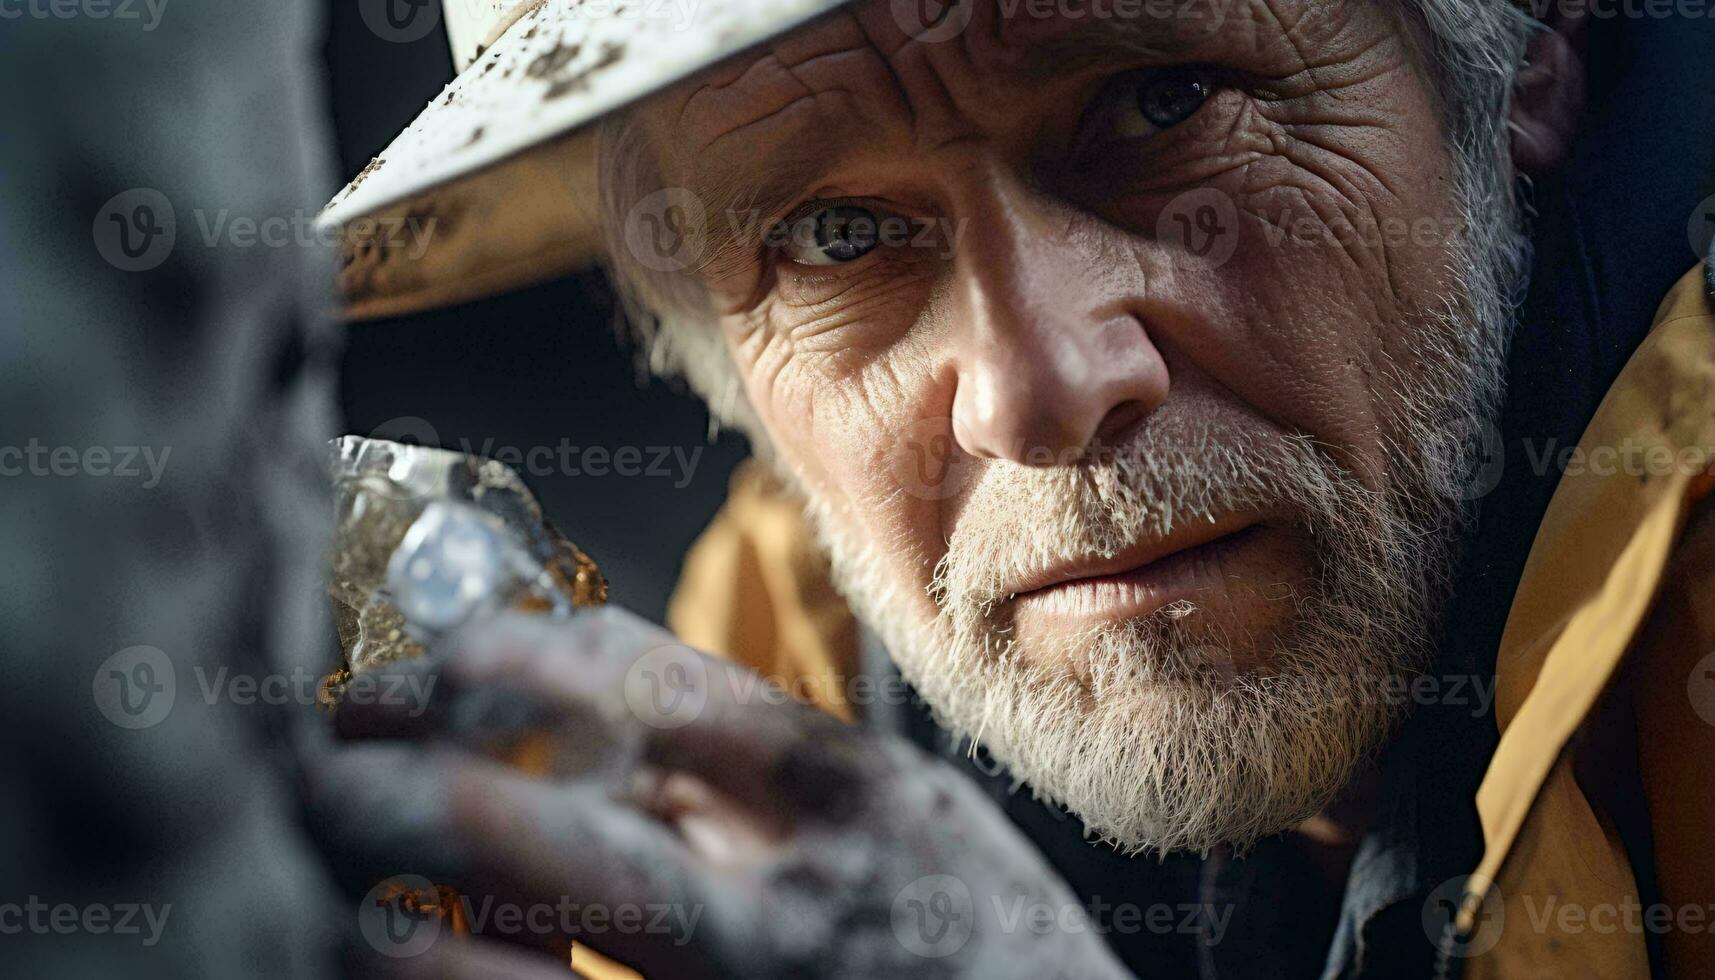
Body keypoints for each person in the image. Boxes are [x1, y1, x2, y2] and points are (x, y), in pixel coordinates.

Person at [307, 1, 1715, 977]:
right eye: (838, 233)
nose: (1037, 391)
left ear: (1531, 48)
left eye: (1163, 102)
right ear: (713, 354)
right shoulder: (782, 669)